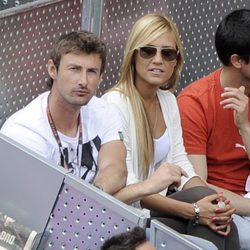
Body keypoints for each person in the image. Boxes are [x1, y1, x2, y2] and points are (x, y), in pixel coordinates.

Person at [103, 13, 239, 250]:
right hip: (129, 217)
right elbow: (133, 191)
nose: (158, 60)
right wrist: (196, 210)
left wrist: (214, 201)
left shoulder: (167, 101)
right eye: (148, 51)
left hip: (158, 207)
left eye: (167, 53)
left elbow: (181, 164)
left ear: (176, 61)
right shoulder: (115, 105)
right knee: (210, 217)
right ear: (133, 56)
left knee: (217, 214)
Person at [0, 31, 127, 195]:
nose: (83, 81)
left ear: (101, 77)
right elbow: (42, 201)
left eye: (92, 71)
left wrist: (94, 195)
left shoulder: (104, 111)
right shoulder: (23, 131)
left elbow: (117, 170)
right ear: (52, 70)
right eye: (74, 69)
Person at [177, 9, 250, 250]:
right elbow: (199, 187)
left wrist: (244, 127)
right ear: (238, 61)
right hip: (224, 207)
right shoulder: (195, 101)